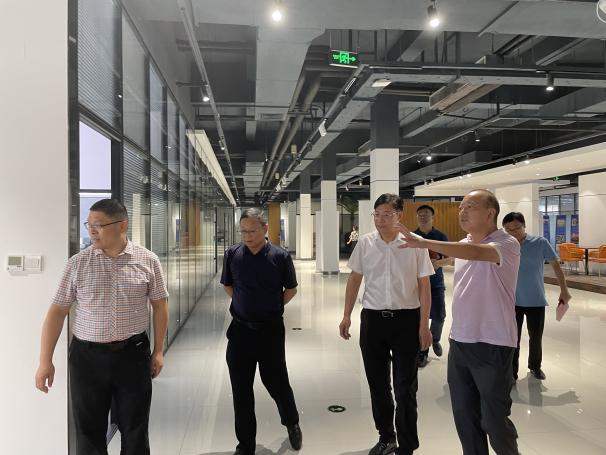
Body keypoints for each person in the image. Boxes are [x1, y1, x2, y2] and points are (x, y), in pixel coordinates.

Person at [35, 199, 169, 455]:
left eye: (98, 225)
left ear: (122, 225)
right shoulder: (78, 263)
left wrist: (159, 351)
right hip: (87, 359)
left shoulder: (148, 260)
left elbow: (160, 306)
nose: (91, 231)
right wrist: (45, 361)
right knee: (88, 432)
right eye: (89, 225)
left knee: (135, 428)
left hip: (133, 355)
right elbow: (57, 312)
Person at [397, 189, 521, 455]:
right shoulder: (464, 244)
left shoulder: (506, 243)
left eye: (470, 207)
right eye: (461, 207)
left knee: (494, 421)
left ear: (490, 213)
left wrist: (423, 242)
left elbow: (475, 253)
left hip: (493, 343)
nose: (462, 212)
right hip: (460, 342)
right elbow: (463, 252)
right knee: (466, 419)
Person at [339, 193, 433, 455]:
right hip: (373, 321)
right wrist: (346, 315)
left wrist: (424, 325)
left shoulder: (415, 244)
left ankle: (407, 444)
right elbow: (355, 279)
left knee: (405, 388)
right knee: (378, 385)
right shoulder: (366, 243)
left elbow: (424, 286)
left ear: (399, 215)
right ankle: (386, 437)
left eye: (387, 215)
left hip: (406, 320)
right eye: (377, 215)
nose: (380, 220)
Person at [221, 208, 302, 455]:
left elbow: (291, 289)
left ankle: (292, 422)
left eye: (252, 231)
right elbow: (228, 285)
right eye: (243, 231)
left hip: (270, 332)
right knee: (241, 390)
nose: (247, 236)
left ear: (265, 228)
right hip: (240, 332)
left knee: (277, 382)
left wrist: (271, 306)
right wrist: (245, 304)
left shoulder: (279, 256)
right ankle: (245, 445)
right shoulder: (233, 254)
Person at [502, 212, 572, 381]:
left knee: (536, 337)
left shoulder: (540, 242)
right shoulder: (504, 245)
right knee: (512, 339)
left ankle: (535, 366)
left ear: (524, 226)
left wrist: (564, 290)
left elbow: (556, 267)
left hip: (536, 299)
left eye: (517, 228)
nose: (513, 232)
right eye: (509, 230)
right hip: (511, 301)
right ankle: (511, 372)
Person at [414, 205, 450, 368]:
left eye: (426, 214)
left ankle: (434, 339)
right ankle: (422, 352)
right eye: (420, 215)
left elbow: (450, 259)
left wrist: (436, 263)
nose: (423, 217)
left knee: (439, 316)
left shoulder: (440, 237)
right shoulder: (413, 237)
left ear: (432, 217)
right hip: (417, 284)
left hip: (436, 283)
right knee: (419, 318)